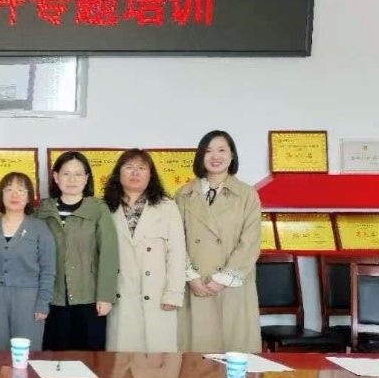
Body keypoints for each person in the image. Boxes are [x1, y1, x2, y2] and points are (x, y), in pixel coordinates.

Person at [176, 130, 262, 353]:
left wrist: (223, 278)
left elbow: (250, 241)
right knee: (197, 358)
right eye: (208, 151)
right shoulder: (183, 194)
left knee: (233, 353)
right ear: (200, 156)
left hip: (232, 284)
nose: (215, 156)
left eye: (222, 150)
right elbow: (175, 241)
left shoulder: (247, 194)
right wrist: (191, 276)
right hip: (195, 284)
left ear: (232, 155)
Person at [102, 149, 188, 353]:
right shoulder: (105, 207)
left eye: (141, 168)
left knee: (158, 361)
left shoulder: (166, 207)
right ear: (118, 173)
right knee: (121, 361)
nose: (135, 172)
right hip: (120, 292)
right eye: (129, 167)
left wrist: (174, 293)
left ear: (151, 174)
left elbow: (177, 252)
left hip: (156, 294)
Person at [37, 151, 119, 352]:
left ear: (86, 178)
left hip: (89, 298)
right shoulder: (42, 211)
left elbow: (109, 254)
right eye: (66, 174)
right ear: (56, 177)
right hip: (53, 298)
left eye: (78, 174)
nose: (72, 180)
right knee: (55, 358)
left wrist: (106, 296)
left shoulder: (98, 209)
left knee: (90, 358)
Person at [0, 171, 55, 352]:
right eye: (8, 190)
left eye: (21, 190)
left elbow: (48, 269)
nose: (14, 195)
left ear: (29, 197)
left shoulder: (39, 228)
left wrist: (43, 303)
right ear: (1, 195)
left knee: (27, 354)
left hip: (29, 299)